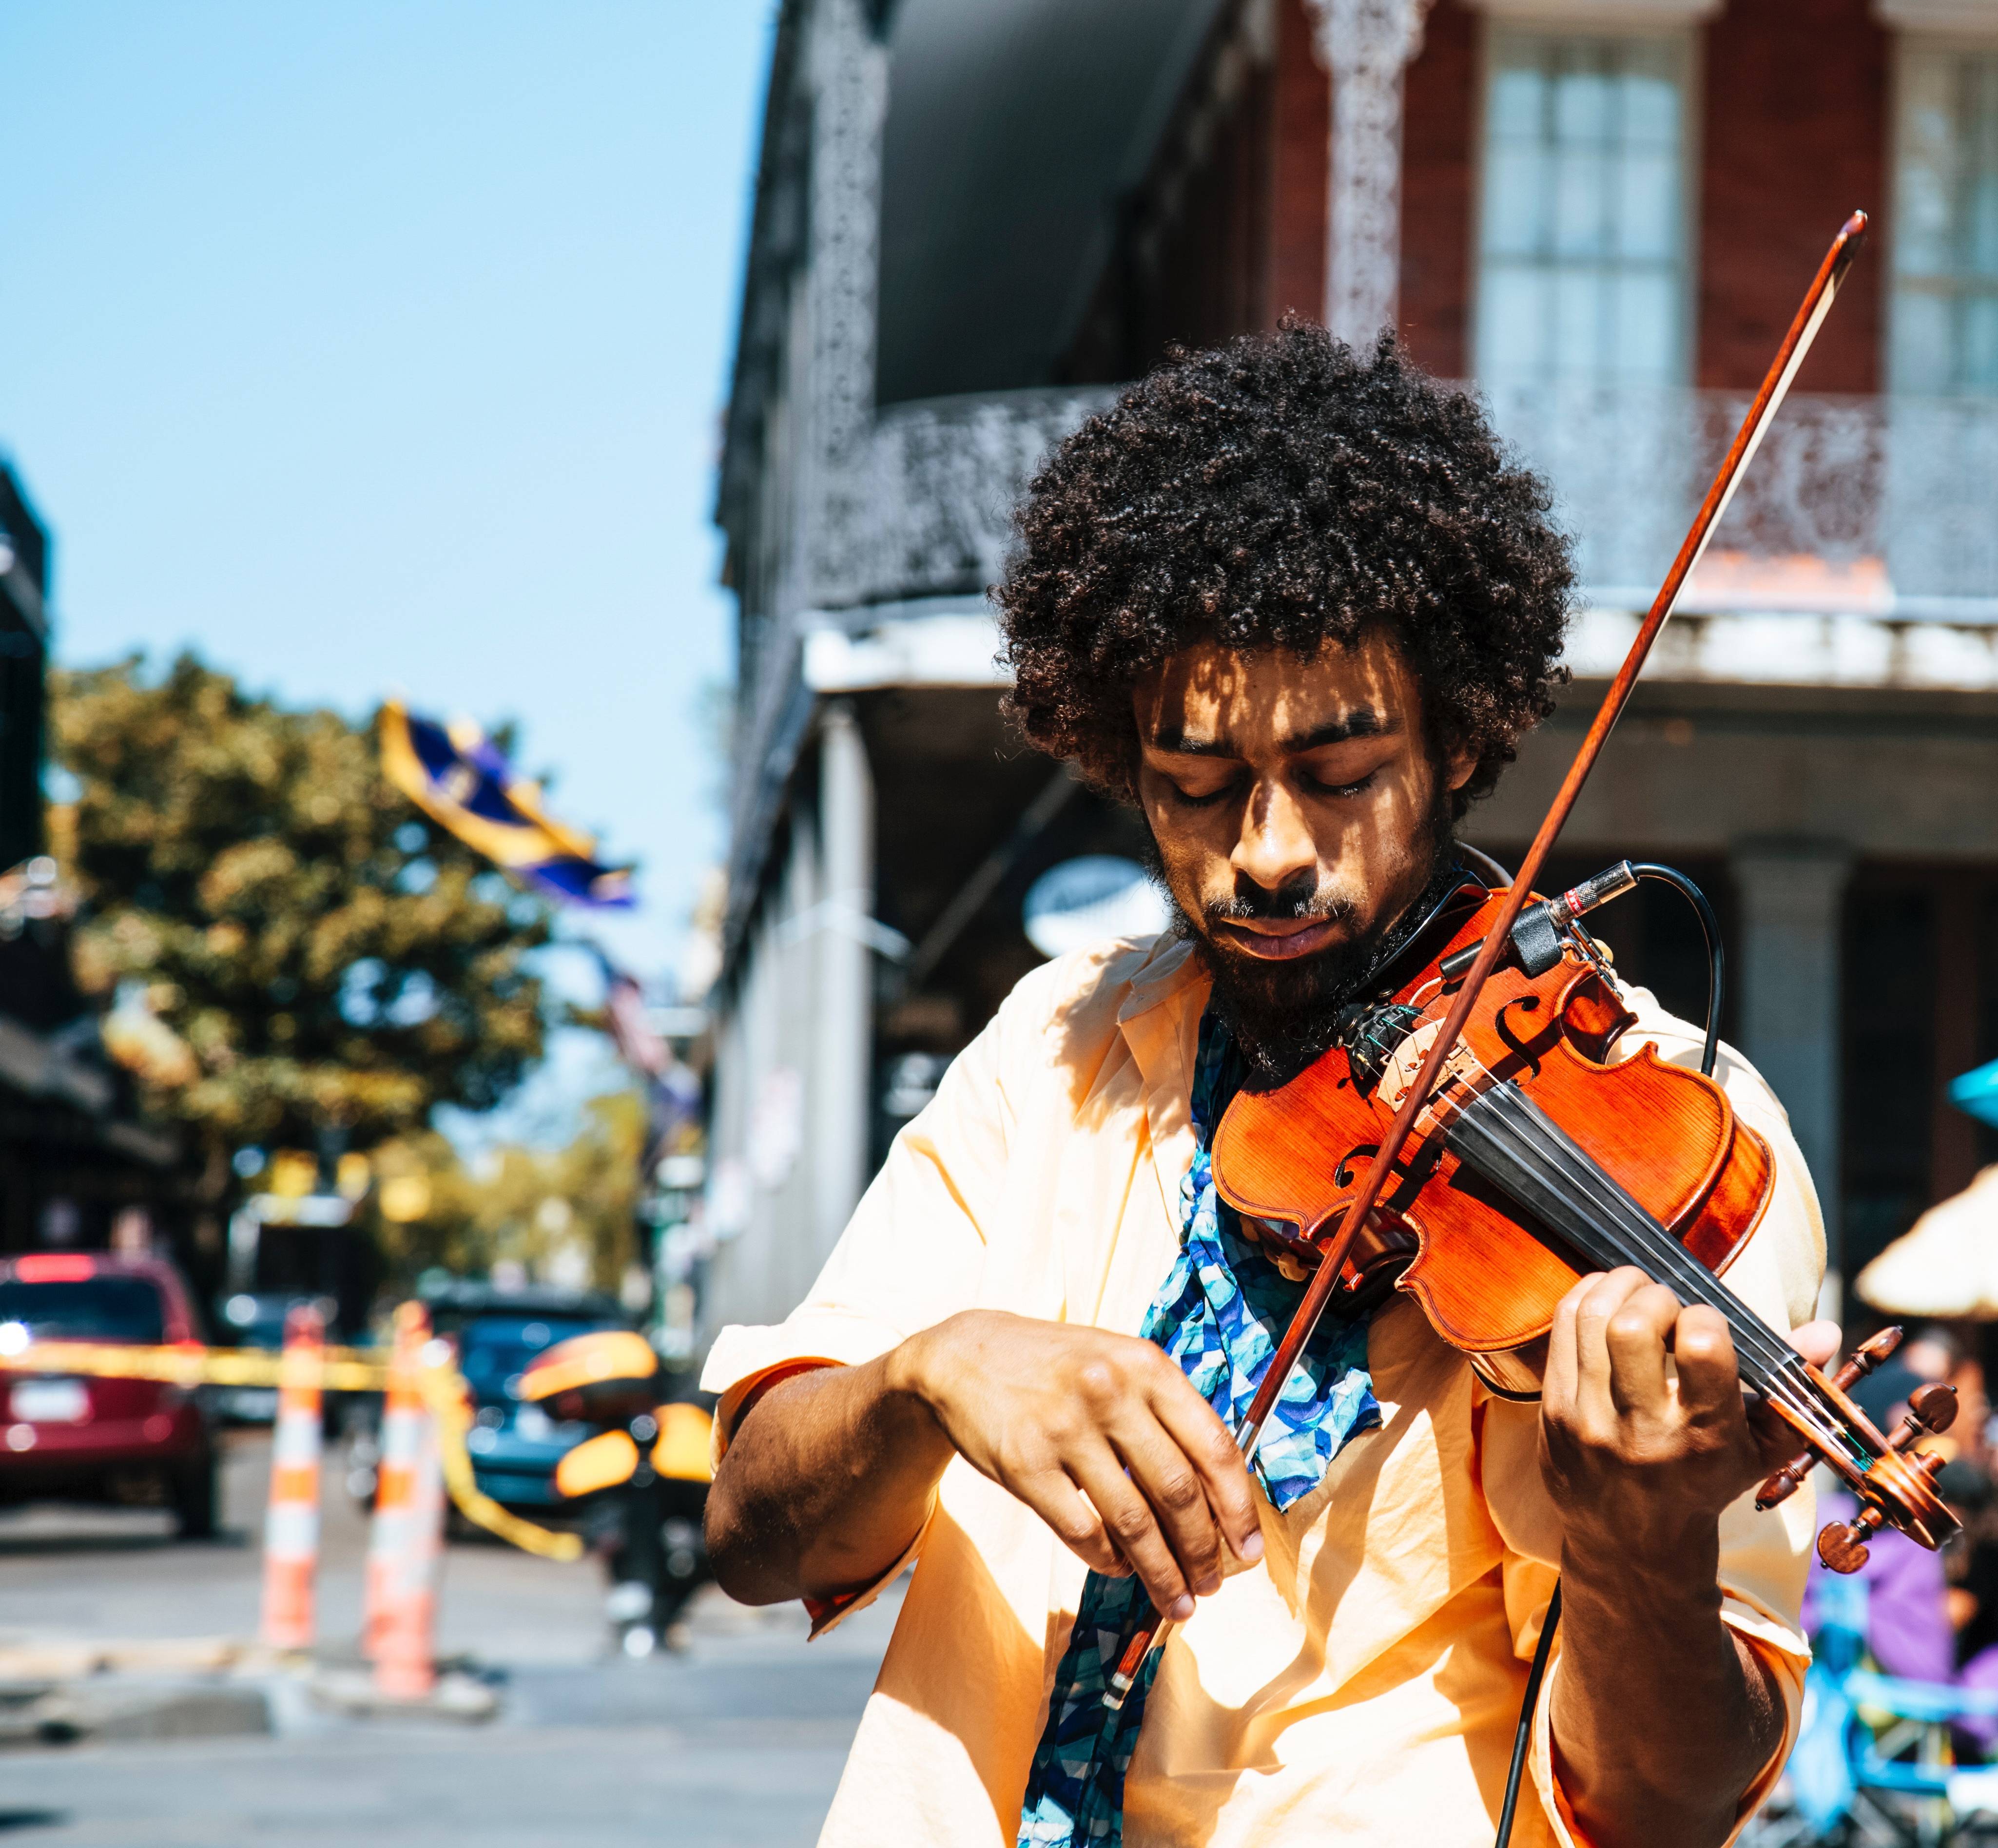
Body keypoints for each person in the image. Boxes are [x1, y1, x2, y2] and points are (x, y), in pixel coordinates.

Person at [699, 326, 1839, 1848]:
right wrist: (929, 1375)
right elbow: (754, 1530)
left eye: (1345, 771)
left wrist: (1643, 1551)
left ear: (1456, 744)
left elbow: (1676, 1797)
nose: (1267, 850)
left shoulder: (1676, 1139)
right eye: (1193, 785)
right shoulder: (1057, 1045)